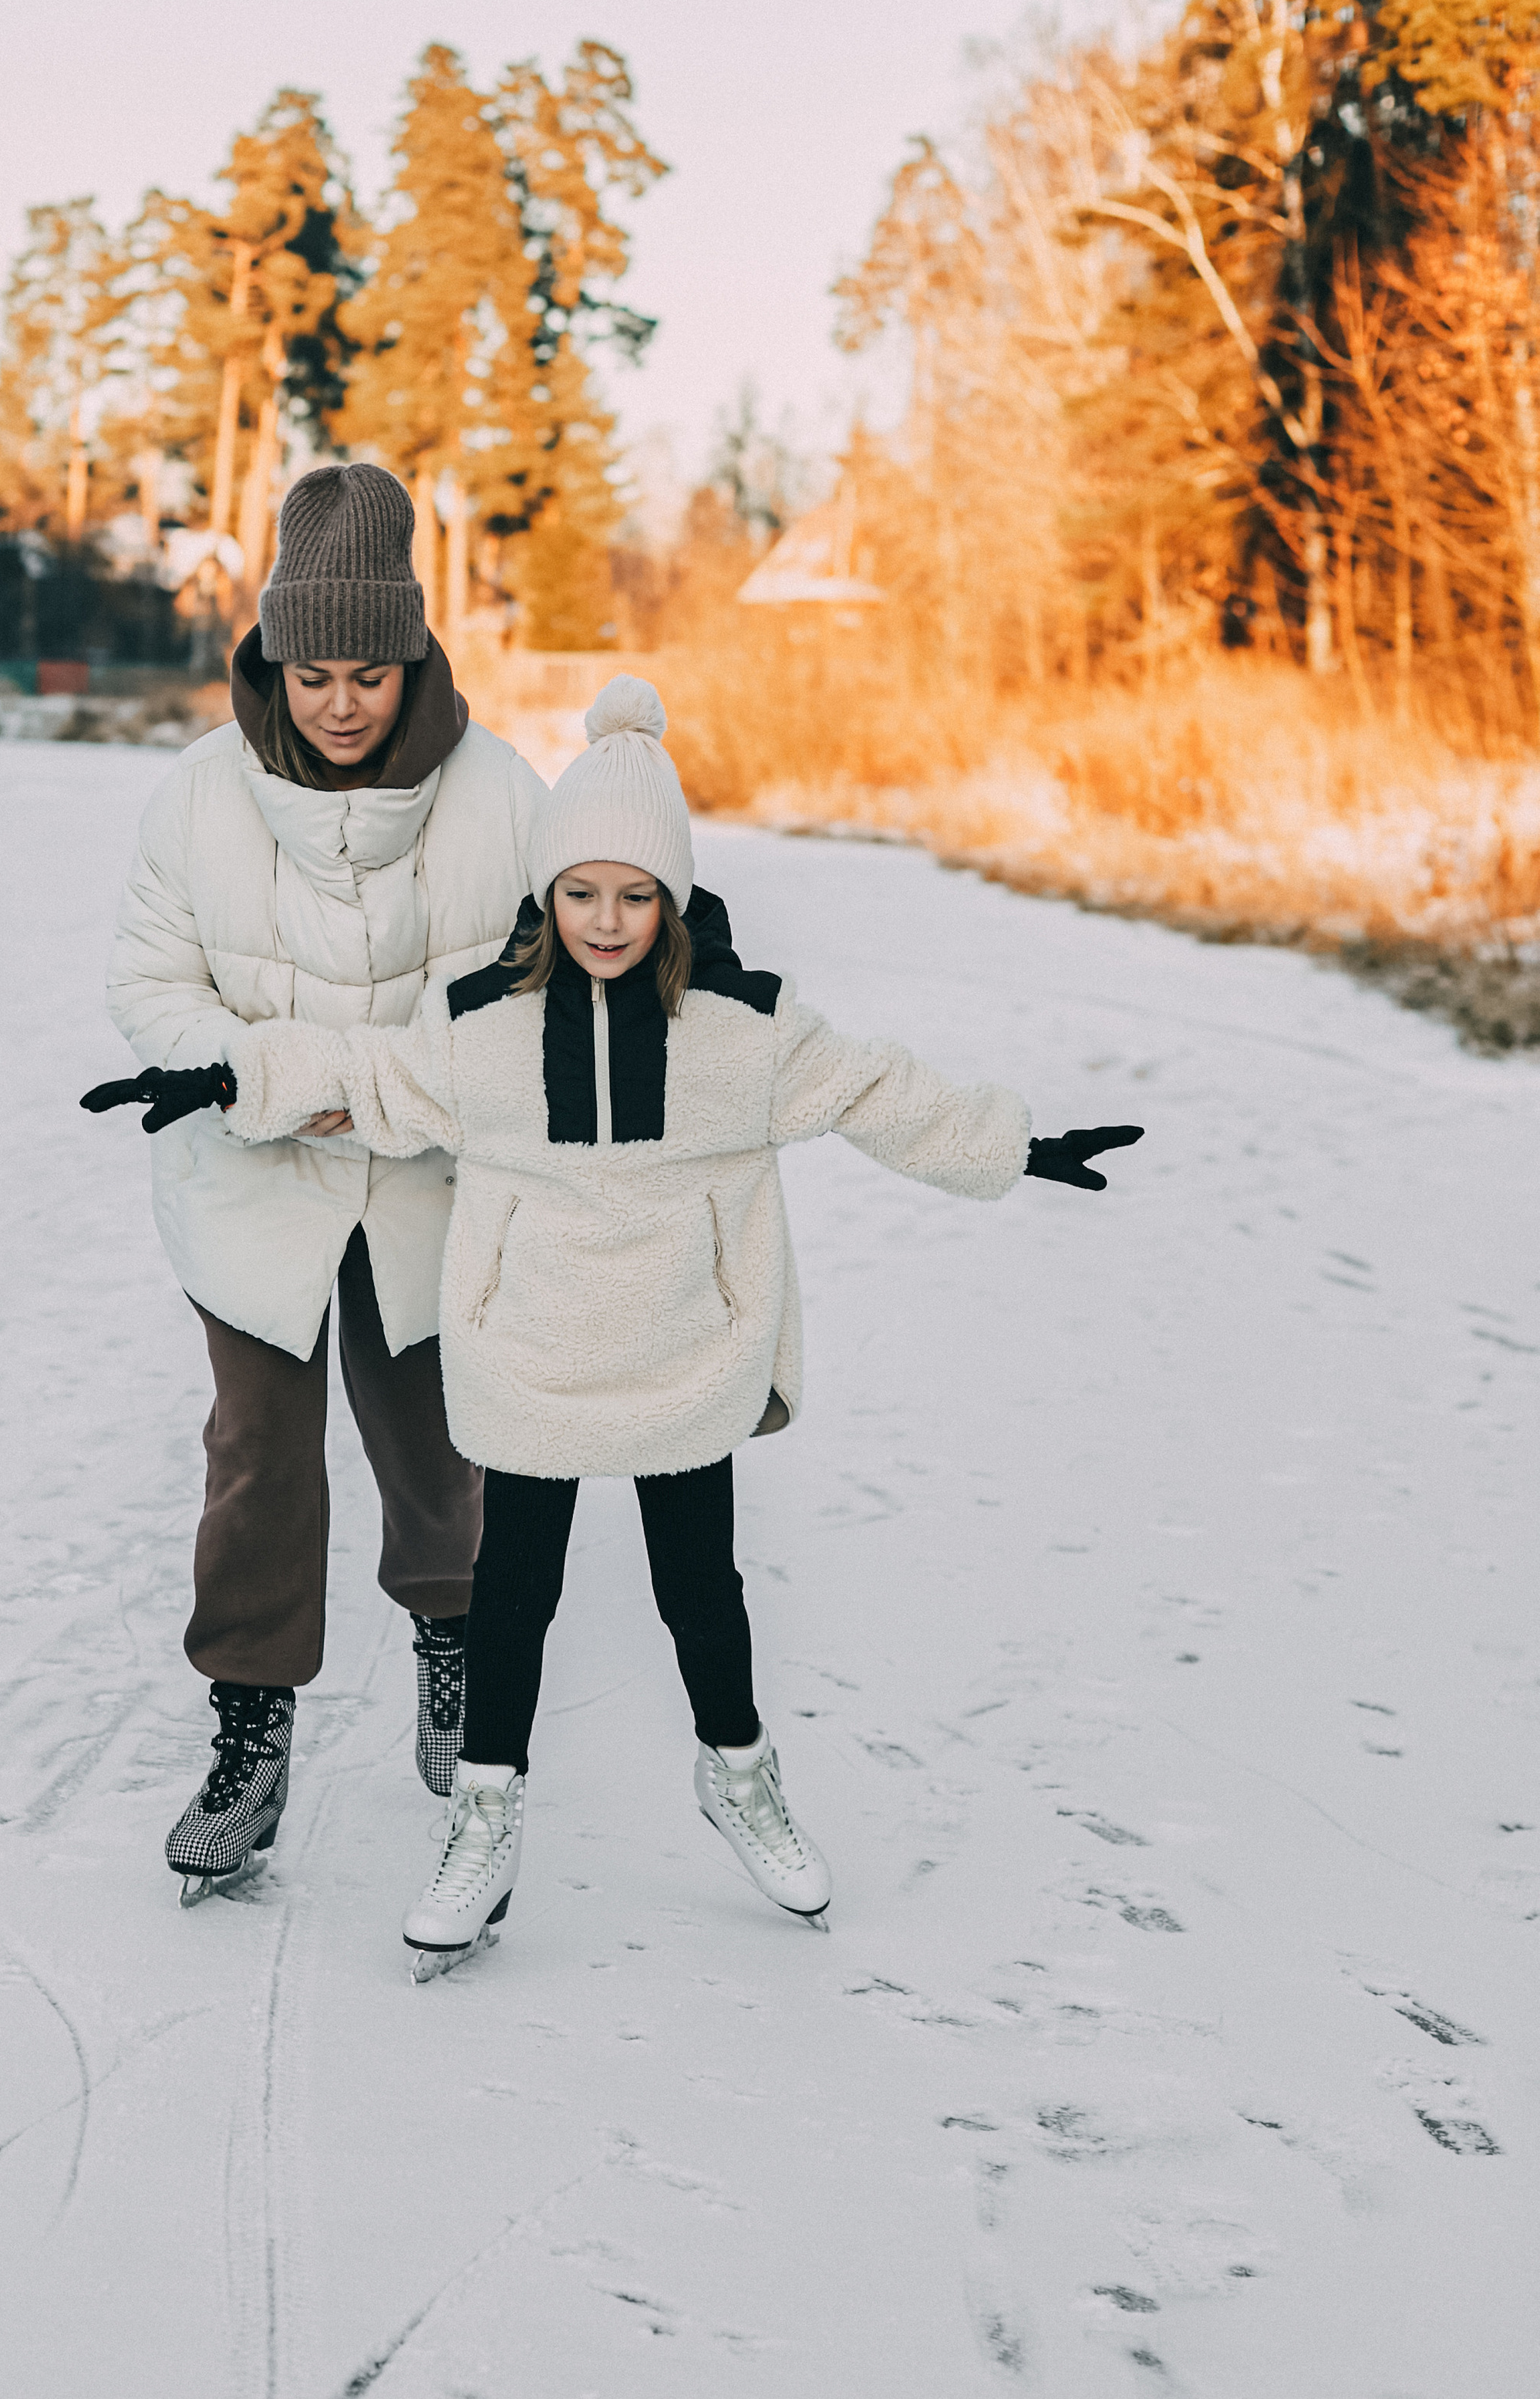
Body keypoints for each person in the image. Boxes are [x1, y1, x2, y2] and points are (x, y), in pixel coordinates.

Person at [88, 678, 1141, 1963]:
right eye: (580, 893)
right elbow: (366, 1078)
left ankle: (738, 1774)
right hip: (528, 1358)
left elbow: (878, 1091)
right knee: (512, 1600)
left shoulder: (742, 1033)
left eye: (637, 896)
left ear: (676, 900)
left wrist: (1019, 1145)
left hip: (682, 1355)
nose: (606, 921)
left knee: (702, 1594)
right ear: (545, 896)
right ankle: (484, 1825)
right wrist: (227, 1070)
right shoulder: (482, 1030)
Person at [99, 462, 544, 1901]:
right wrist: (257, 1076)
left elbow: (529, 993)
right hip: (253, 1191)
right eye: (312, 673)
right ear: (271, 662)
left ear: (411, 656)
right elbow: (154, 981)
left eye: (368, 670)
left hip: (432, 1192)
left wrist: (385, 1091)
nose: (341, 702)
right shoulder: (197, 795)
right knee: (259, 1463)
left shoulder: (499, 796)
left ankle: (452, 1646)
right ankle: (249, 1730)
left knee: (436, 1448)